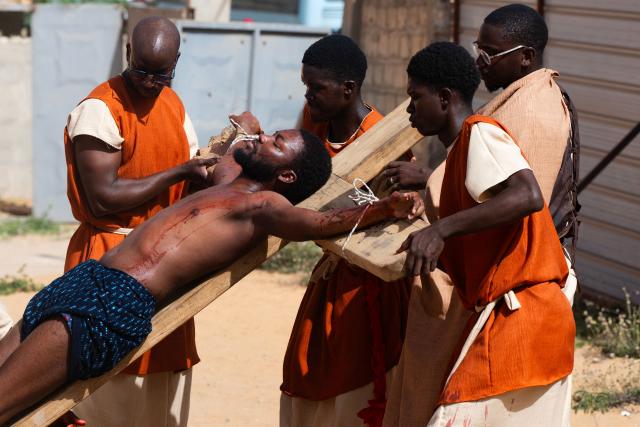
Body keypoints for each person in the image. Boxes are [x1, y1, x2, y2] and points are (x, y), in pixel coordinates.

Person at [0, 129, 424, 425]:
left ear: (287, 176)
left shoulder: (267, 206)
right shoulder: (228, 181)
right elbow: (231, 151)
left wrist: (385, 209)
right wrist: (248, 129)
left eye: (276, 143)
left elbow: (318, 222)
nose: (264, 140)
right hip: (84, 281)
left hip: (113, 303)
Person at [383, 5, 580, 425]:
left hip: (521, 300)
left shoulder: (510, 118)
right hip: (515, 299)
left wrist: (441, 228)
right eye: (479, 48)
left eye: (490, 52)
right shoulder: (502, 113)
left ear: (525, 57)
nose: (480, 61)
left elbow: (526, 196)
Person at [62, 16, 221, 426]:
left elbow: (187, 183)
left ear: (177, 63)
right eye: (142, 71)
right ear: (128, 53)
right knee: (107, 381)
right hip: (111, 256)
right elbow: (101, 199)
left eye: (161, 74)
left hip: (165, 255)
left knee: (159, 376)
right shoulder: (100, 109)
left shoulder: (173, 103)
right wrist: (180, 172)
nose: (151, 82)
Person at [280, 35, 411, 427]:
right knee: (307, 369)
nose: (309, 97)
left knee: (356, 385)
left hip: (371, 286)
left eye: (316, 88)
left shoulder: (385, 138)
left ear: (348, 89)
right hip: (330, 273)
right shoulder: (313, 124)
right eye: (306, 87)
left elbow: (398, 213)